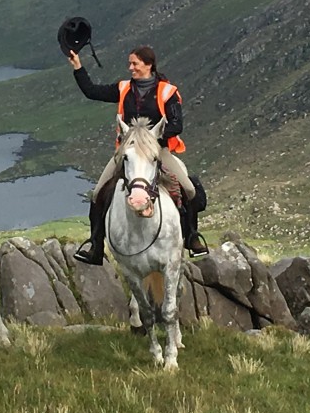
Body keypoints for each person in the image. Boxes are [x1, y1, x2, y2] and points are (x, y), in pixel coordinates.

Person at [68, 45, 209, 265]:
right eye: (130, 63)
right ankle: (96, 245)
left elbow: (176, 124)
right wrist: (78, 67)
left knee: (189, 189)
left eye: (134, 63)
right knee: (98, 193)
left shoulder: (167, 91)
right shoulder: (124, 88)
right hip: (128, 151)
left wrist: (153, 140)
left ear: (148, 64)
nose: (130, 67)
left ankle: (192, 237)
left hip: (157, 150)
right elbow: (92, 91)